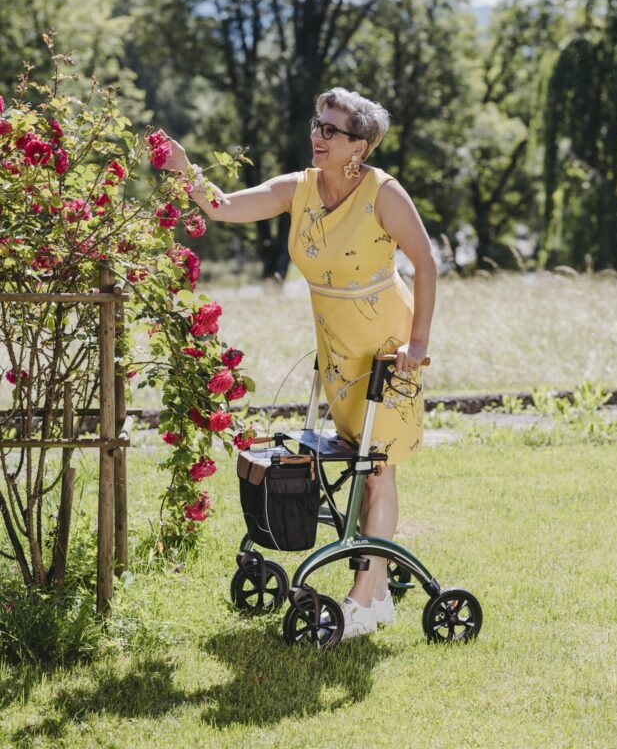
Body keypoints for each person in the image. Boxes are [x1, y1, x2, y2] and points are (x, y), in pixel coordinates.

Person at [158, 87, 437, 638]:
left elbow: (426, 264)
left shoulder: (384, 193)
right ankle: (376, 587)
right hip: (338, 350)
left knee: (377, 468)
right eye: (317, 124)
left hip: (387, 349)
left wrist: (419, 345)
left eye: (331, 130)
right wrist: (185, 169)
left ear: (361, 144)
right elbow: (225, 206)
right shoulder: (301, 189)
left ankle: (365, 598)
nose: (317, 136)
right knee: (360, 465)